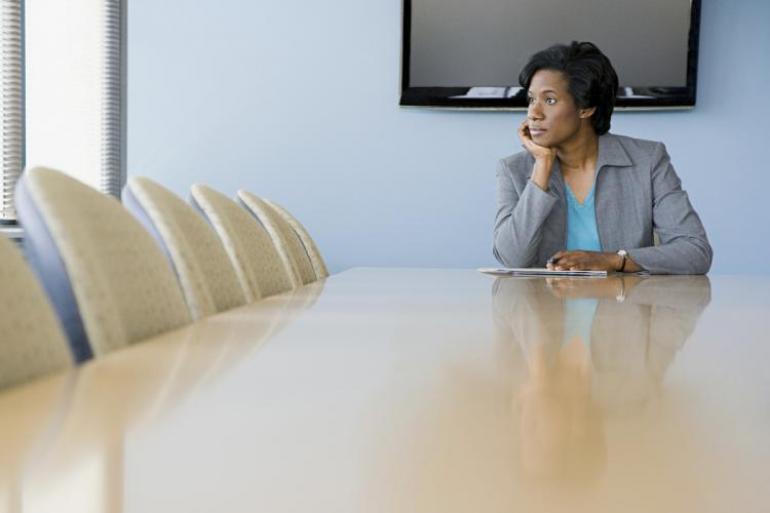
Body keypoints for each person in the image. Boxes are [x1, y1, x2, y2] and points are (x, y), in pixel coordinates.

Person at [493, 42, 712, 274]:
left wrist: (614, 260)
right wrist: (542, 166)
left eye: (550, 100)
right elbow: (512, 258)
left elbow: (695, 252)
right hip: (545, 298)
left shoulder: (647, 161)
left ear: (586, 108)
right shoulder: (513, 169)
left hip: (623, 297)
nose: (533, 113)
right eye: (531, 99)